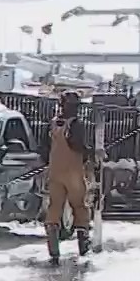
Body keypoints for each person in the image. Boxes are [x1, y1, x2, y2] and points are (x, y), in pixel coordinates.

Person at [45, 92, 93, 263]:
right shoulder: (76, 124)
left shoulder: (53, 124)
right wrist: (91, 153)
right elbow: (77, 145)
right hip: (73, 172)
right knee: (79, 206)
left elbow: (46, 147)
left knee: (54, 207)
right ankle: (83, 244)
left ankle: (53, 249)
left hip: (55, 172)